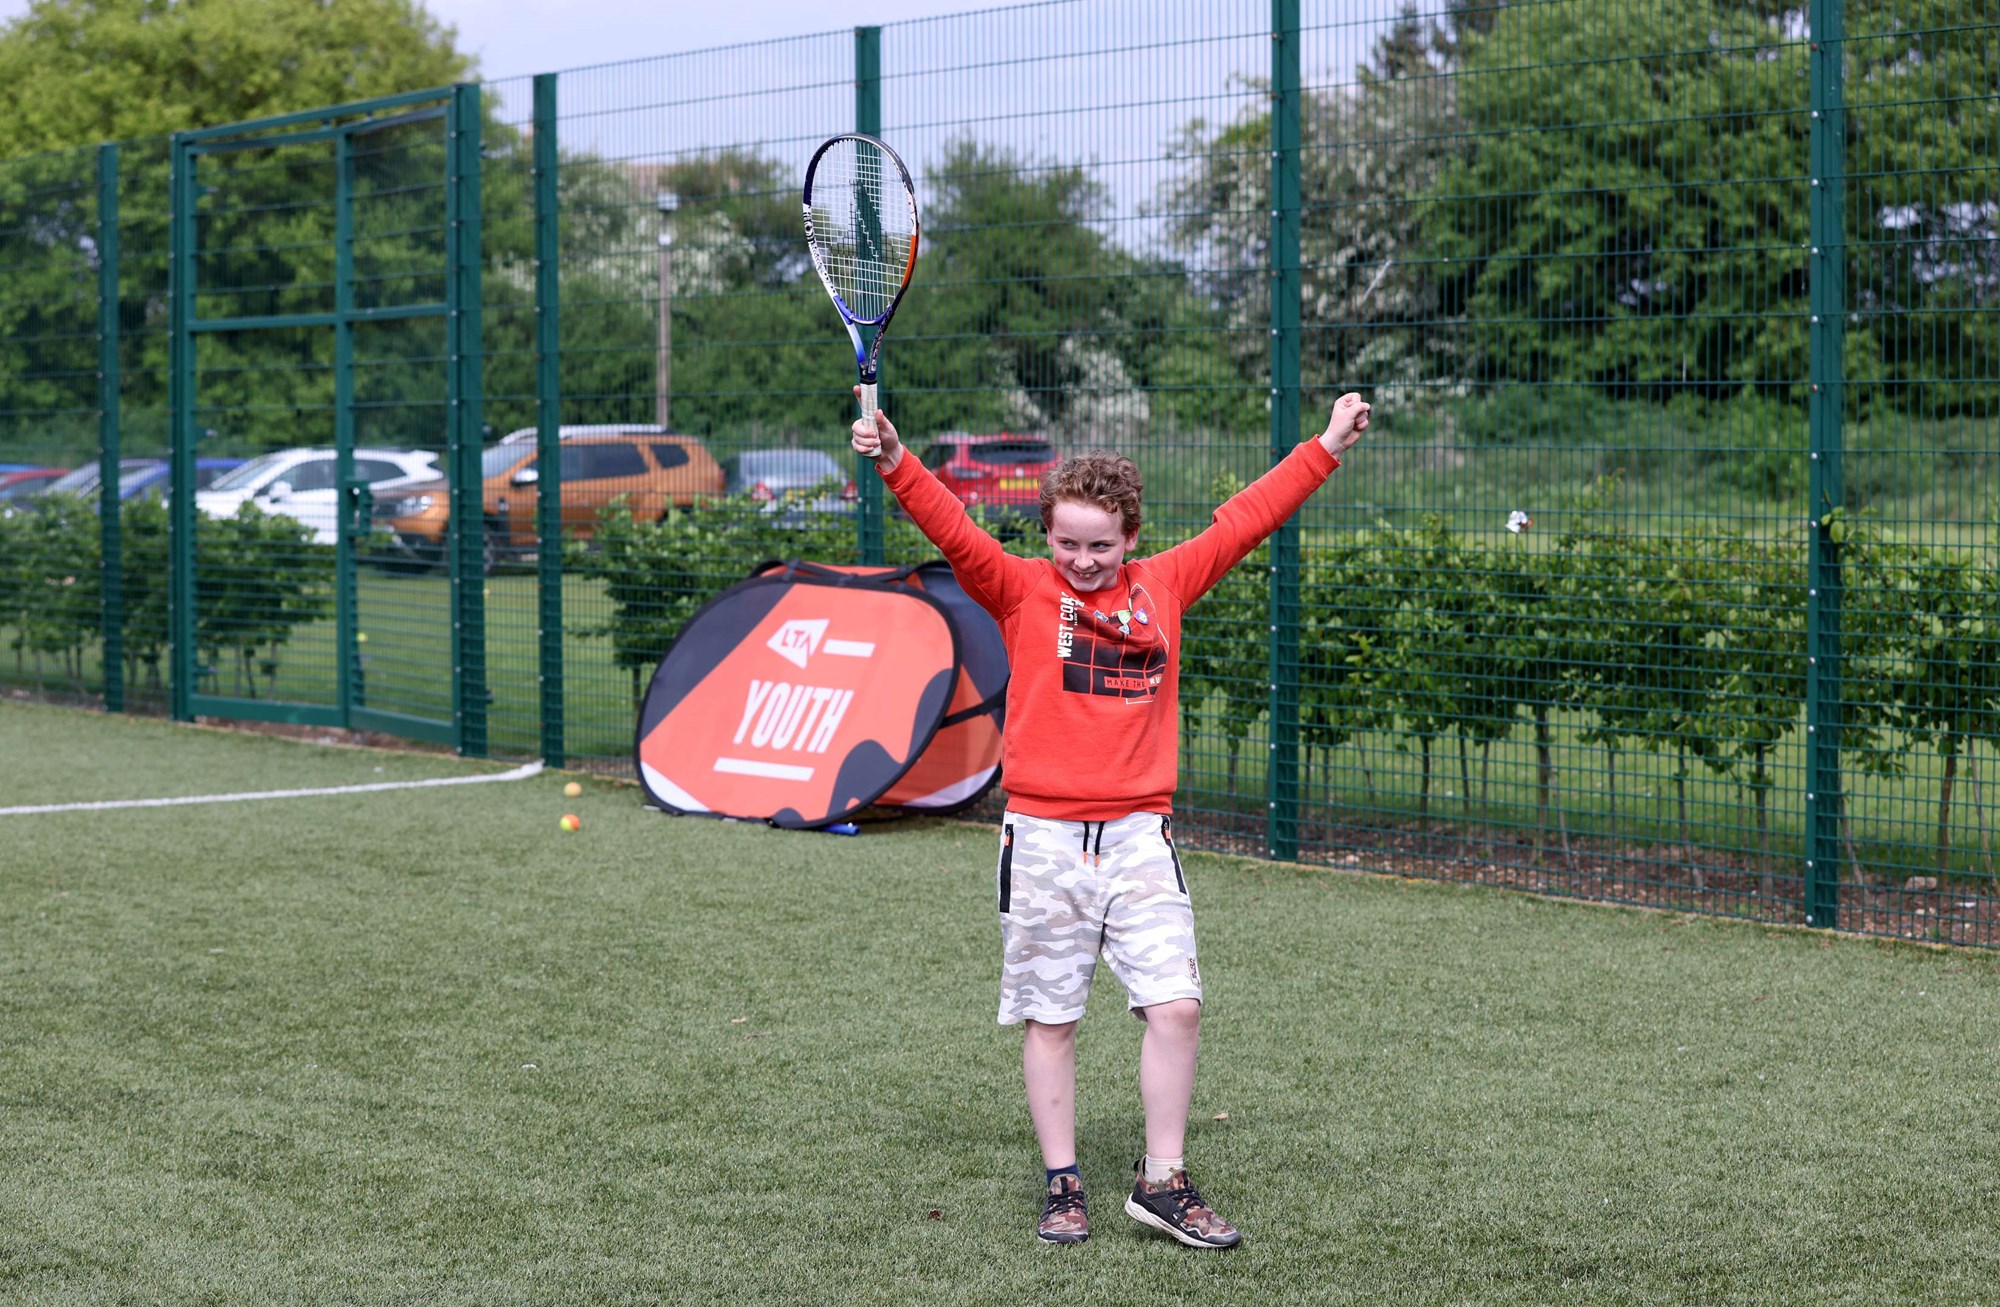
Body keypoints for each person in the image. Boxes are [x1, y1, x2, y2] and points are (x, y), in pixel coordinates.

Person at [851, 391, 1370, 1248]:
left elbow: (1245, 520)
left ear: (1131, 537)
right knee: (1052, 1018)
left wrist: (1325, 443)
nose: (1083, 560)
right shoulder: (1017, 587)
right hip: (1044, 839)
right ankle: (1063, 1183)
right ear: (1046, 535)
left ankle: (1161, 1182)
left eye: (1100, 545)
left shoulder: (1163, 584)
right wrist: (894, 458)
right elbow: (953, 530)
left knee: (1177, 1006)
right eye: (1067, 543)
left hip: (1139, 838)